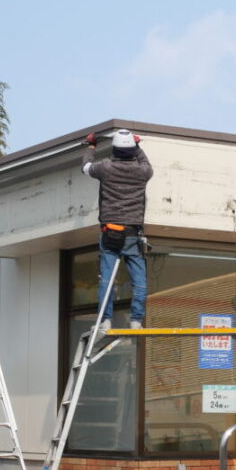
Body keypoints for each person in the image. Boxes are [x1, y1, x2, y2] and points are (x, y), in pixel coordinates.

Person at [82, 129, 152, 331]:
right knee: (139, 280)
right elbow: (145, 162)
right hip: (132, 234)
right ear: (131, 149)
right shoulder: (143, 171)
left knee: (107, 279)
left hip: (110, 232)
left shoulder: (105, 167)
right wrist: (137, 146)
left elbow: (85, 167)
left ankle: (105, 320)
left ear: (114, 149)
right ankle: (136, 320)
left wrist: (92, 146)